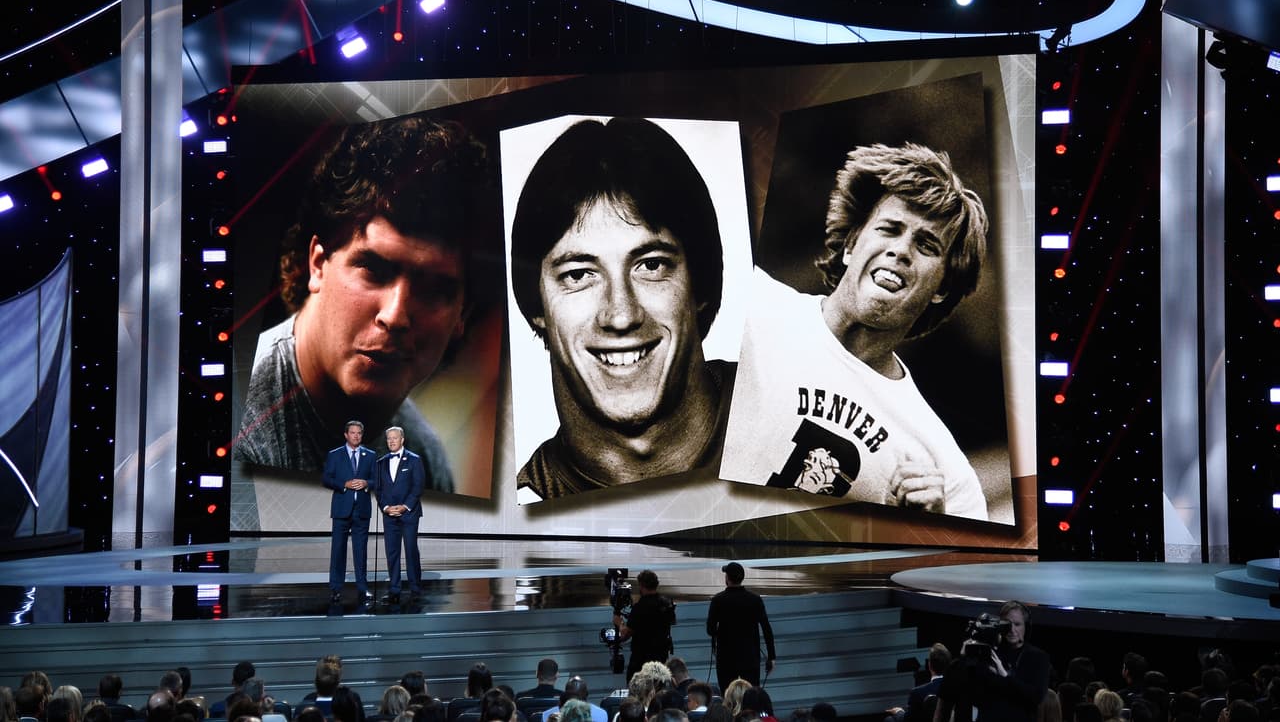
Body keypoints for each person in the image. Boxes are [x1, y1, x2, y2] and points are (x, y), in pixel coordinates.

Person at [719, 142, 990, 520]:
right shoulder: (745, 302)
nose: (900, 250)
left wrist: (927, 529)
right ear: (850, 245)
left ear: (942, 289)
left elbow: (951, 574)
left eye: (926, 245)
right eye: (889, 229)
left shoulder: (944, 472)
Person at [235, 114, 500, 481]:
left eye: (433, 289)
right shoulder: (238, 428)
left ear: (462, 315)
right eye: (373, 269)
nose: (395, 315)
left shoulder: (425, 459)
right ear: (317, 265)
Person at [509, 117, 735, 500]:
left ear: (700, 286)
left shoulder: (802, 420)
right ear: (537, 306)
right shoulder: (511, 520)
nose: (621, 315)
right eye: (579, 274)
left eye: (651, 265)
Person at [937, 600, 1050, 722]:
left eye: (1017, 624)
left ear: (1026, 626)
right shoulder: (988, 652)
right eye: (1007, 624)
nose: (1011, 630)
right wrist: (964, 659)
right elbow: (967, 694)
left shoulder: (1037, 657)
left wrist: (1005, 676)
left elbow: (1035, 698)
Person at [323, 420, 378, 603]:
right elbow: (326, 479)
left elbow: (376, 481)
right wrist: (344, 485)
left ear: (362, 436)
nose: (356, 436)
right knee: (338, 550)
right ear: (346, 435)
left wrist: (366, 484)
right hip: (341, 509)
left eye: (359, 433)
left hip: (361, 510)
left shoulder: (370, 455)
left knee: (360, 551)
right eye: (352, 433)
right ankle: (335, 588)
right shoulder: (335, 455)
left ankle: (362, 588)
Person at [374, 425, 426, 603]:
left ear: (402, 440)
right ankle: (394, 589)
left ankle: (415, 589)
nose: (391, 441)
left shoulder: (414, 460)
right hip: (389, 515)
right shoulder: (381, 462)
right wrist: (386, 507)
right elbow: (378, 490)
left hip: (409, 514)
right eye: (389, 439)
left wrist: (405, 506)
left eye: (395, 438)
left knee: (411, 551)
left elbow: (418, 486)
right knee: (392, 552)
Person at [706, 563, 775, 694]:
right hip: (750, 659)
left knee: (728, 696)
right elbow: (766, 628)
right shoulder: (755, 599)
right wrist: (771, 657)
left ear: (727, 578)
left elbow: (710, 630)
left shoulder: (718, 600)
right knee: (751, 695)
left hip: (726, 660)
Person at [612, 570, 676, 681]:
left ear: (641, 585)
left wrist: (619, 622)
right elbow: (672, 621)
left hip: (641, 660)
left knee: (637, 690)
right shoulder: (666, 603)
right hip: (661, 658)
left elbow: (625, 635)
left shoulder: (640, 607)